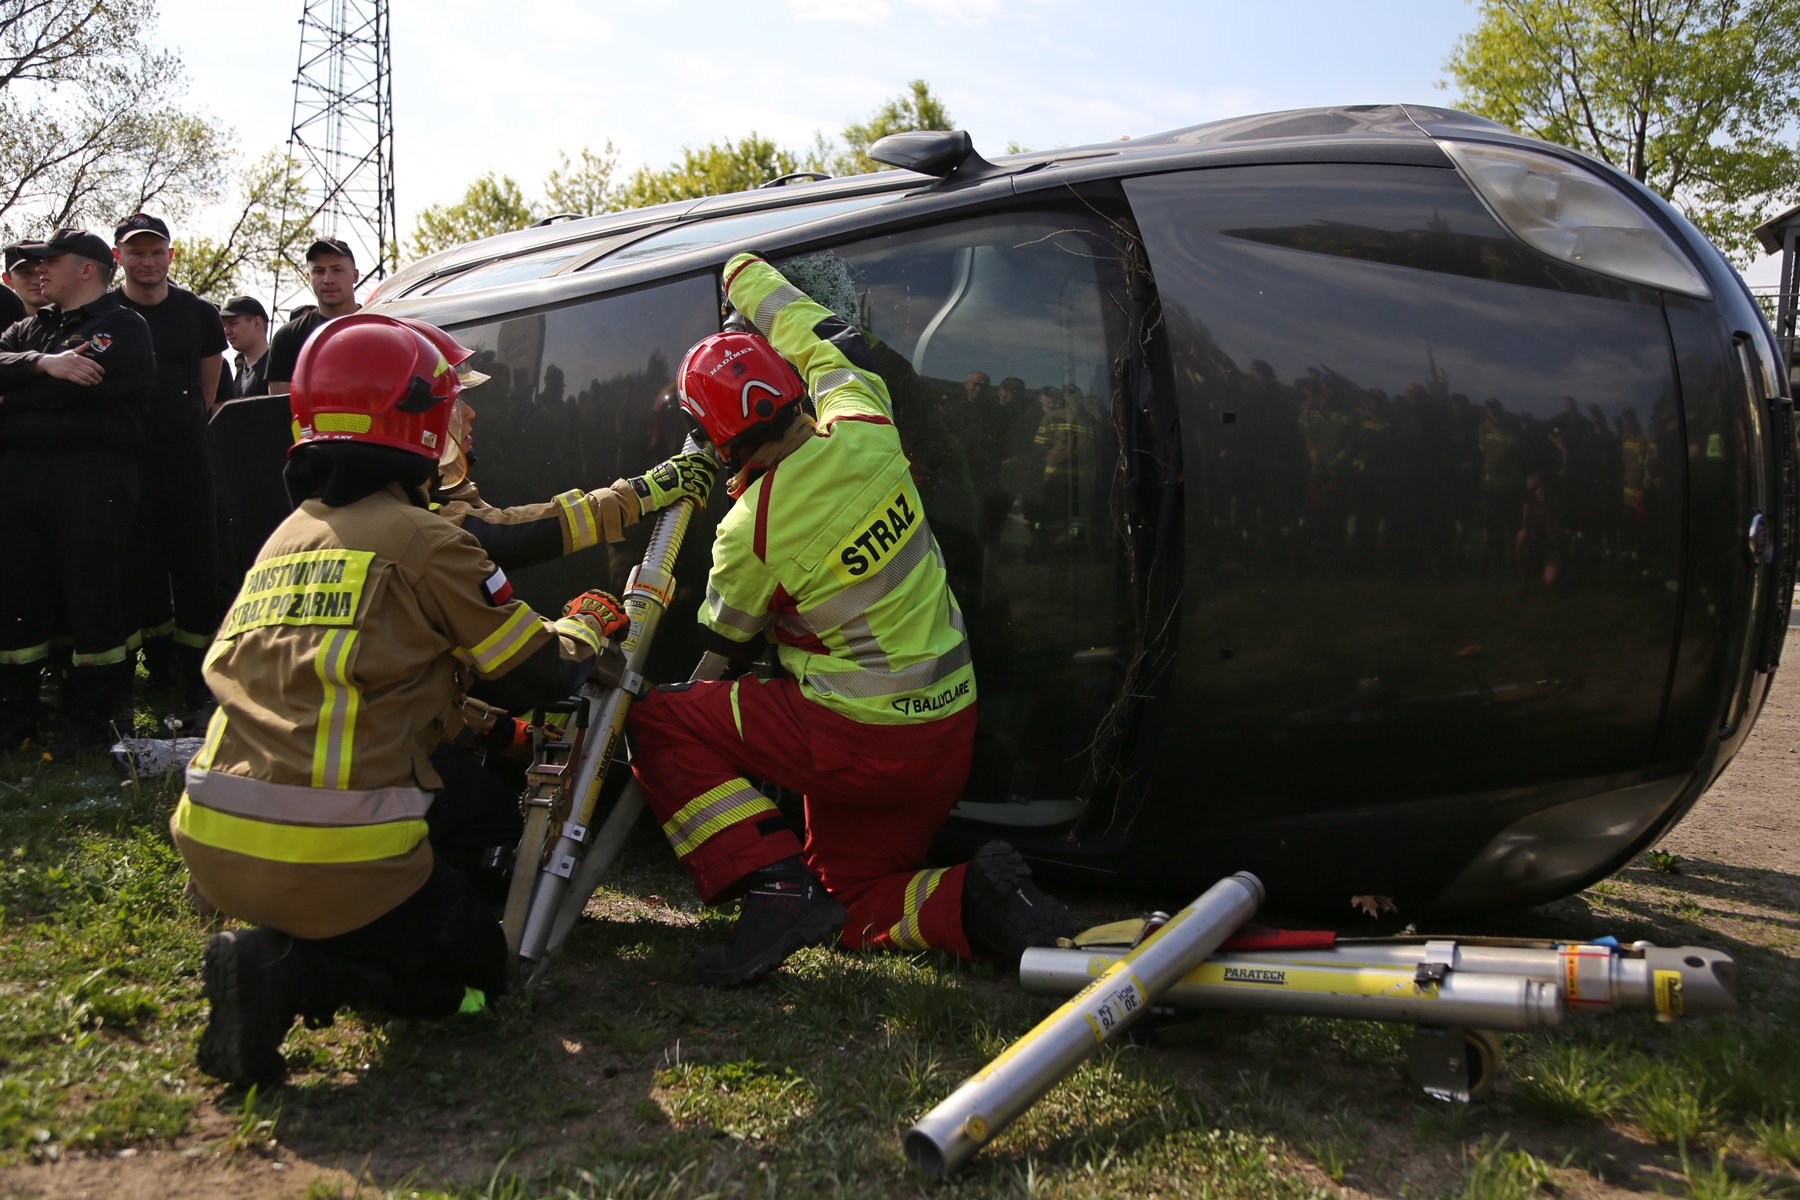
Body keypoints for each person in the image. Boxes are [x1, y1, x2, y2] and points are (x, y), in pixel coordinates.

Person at [172, 313, 636, 1088]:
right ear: (422, 420)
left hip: (215, 842)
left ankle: (302, 934)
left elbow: (361, 682)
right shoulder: (427, 540)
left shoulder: (290, 534)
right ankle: (296, 971)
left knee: (469, 807)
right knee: (480, 986)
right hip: (332, 850)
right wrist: (585, 626)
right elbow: (539, 674)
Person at [627, 252, 1073, 988]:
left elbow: (722, 649)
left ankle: (772, 889)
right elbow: (822, 333)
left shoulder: (750, 528)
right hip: (948, 731)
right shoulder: (865, 418)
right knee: (847, 900)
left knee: (663, 720)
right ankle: (981, 897)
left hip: (862, 746)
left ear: (717, 439)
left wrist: (684, 711)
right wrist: (742, 270)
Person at [0, 229, 156, 754]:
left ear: (86, 269)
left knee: (95, 597)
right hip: (23, 478)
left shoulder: (123, 327)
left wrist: (17, 396)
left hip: (93, 479)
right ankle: (18, 719)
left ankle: (96, 720)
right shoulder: (28, 330)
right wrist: (43, 365)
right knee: (20, 594)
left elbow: (95, 389)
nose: (38, 269)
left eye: (51, 261)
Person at [112, 213, 230, 713]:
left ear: (170, 256)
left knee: (197, 569)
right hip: (126, 462)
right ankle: (157, 672)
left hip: (186, 461)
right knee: (138, 571)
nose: (148, 261)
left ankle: (200, 681)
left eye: (156, 251)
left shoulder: (198, 313)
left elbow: (208, 386)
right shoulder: (106, 314)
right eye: (136, 252)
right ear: (117, 257)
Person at [267, 239, 360, 395]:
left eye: (337, 270)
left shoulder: (382, 330)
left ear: (355, 275)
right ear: (308, 277)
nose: (328, 280)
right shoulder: (287, 338)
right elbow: (280, 412)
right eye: (319, 271)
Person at [221, 295, 271, 398]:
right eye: (224, 326)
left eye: (233, 323)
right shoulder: (240, 375)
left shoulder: (276, 366)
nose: (227, 331)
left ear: (257, 323)